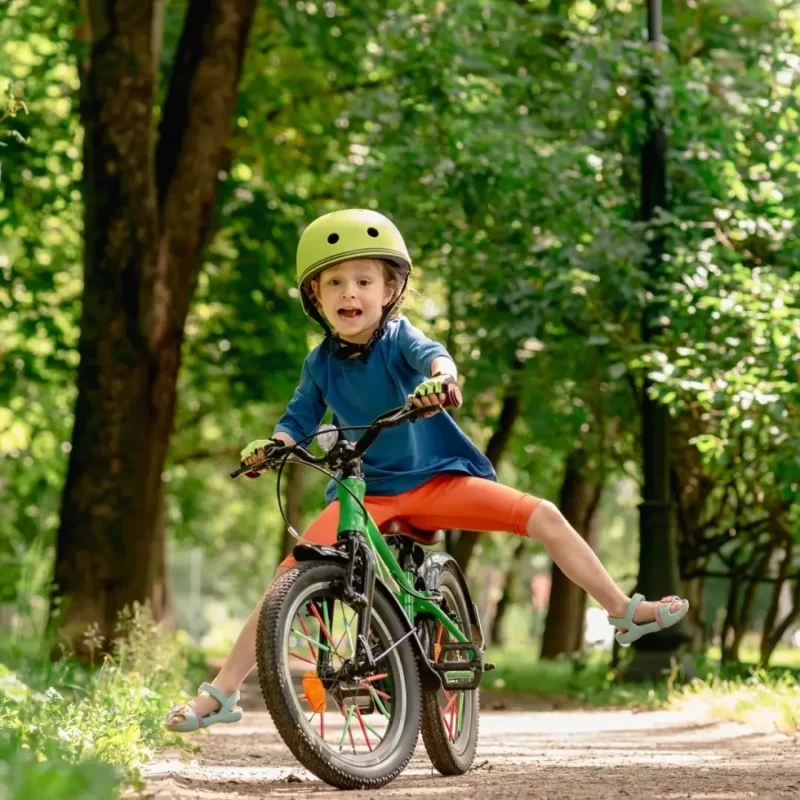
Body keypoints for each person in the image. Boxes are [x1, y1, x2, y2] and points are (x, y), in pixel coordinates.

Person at [165, 209, 688, 731]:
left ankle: (622, 609)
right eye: (335, 284)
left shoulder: (398, 339)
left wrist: (443, 379)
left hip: (436, 479)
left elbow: (435, 357)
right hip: (364, 494)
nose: (350, 293)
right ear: (316, 298)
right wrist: (272, 447)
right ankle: (220, 695)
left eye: (364, 281)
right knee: (286, 581)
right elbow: (298, 418)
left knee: (544, 515)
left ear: (390, 289)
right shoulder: (320, 362)